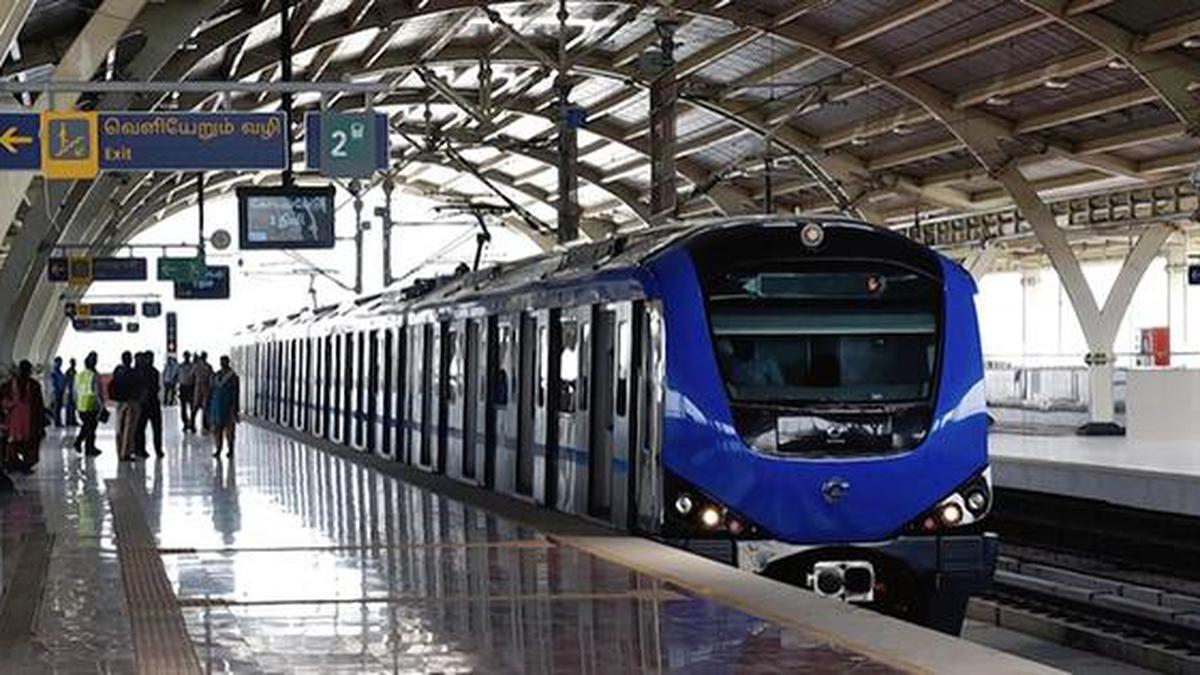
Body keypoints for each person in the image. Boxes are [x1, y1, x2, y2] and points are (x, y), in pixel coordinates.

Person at [2, 360, 47, 473]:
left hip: (26, 423)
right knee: (14, 446)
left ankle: (22, 465)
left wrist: (41, 423)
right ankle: (15, 465)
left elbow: (39, 405)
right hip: (15, 424)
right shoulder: (8, 386)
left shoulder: (33, 386)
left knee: (27, 446)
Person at [110, 351, 141, 462]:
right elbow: (137, 387)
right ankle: (125, 453)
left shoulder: (118, 370)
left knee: (119, 429)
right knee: (129, 429)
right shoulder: (133, 372)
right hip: (130, 402)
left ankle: (120, 452)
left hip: (119, 403)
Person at [208, 355, 240, 458]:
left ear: (228, 362)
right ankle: (218, 449)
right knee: (217, 430)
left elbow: (236, 394)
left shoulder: (233, 377)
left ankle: (230, 449)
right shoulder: (216, 375)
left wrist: (235, 409)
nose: (222, 364)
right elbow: (211, 390)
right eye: (221, 362)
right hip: (216, 407)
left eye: (224, 362)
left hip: (228, 407)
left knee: (230, 431)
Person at [72, 353, 105, 456]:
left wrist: (76, 404)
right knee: (91, 428)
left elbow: (75, 391)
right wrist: (102, 406)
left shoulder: (79, 375)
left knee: (87, 426)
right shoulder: (94, 375)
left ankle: (86, 446)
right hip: (91, 405)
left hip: (81, 405)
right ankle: (86, 447)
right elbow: (97, 392)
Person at [134, 351, 163, 458]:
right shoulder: (153, 372)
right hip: (150, 403)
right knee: (153, 428)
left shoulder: (140, 372)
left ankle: (141, 450)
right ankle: (156, 450)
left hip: (144, 404)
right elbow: (155, 387)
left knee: (141, 428)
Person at [193, 352, 214, 433]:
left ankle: (199, 424)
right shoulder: (206, 366)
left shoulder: (200, 366)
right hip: (201, 388)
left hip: (202, 388)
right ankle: (203, 424)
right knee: (200, 407)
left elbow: (192, 376)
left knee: (199, 407)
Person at [178, 351, 196, 432]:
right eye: (185, 356)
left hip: (191, 387)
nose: (187, 357)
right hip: (183, 387)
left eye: (188, 356)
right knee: (183, 408)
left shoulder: (193, 366)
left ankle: (192, 423)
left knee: (192, 407)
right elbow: (178, 377)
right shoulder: (180, 366)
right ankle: (185, 423)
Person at [47, 357, 67, 428]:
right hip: (56, 392)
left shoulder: (60, 372)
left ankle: (59, 422)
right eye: (58, 362)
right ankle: (57, 422)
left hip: (60, 392)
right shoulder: (53, 372)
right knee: (56, 408)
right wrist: (52, 392)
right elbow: (51, 383)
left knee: (59, 407)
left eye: (61, 362)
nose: (60, 364)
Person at [64, 358, 78, 427]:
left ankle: (72, 420)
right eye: (73, 362)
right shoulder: (69, 371)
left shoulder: (74, 371)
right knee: (69, 407)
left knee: (72, 407)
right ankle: (69, 421)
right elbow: (67, 381)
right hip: (69, 391)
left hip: (72, 391)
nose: (74, 364)